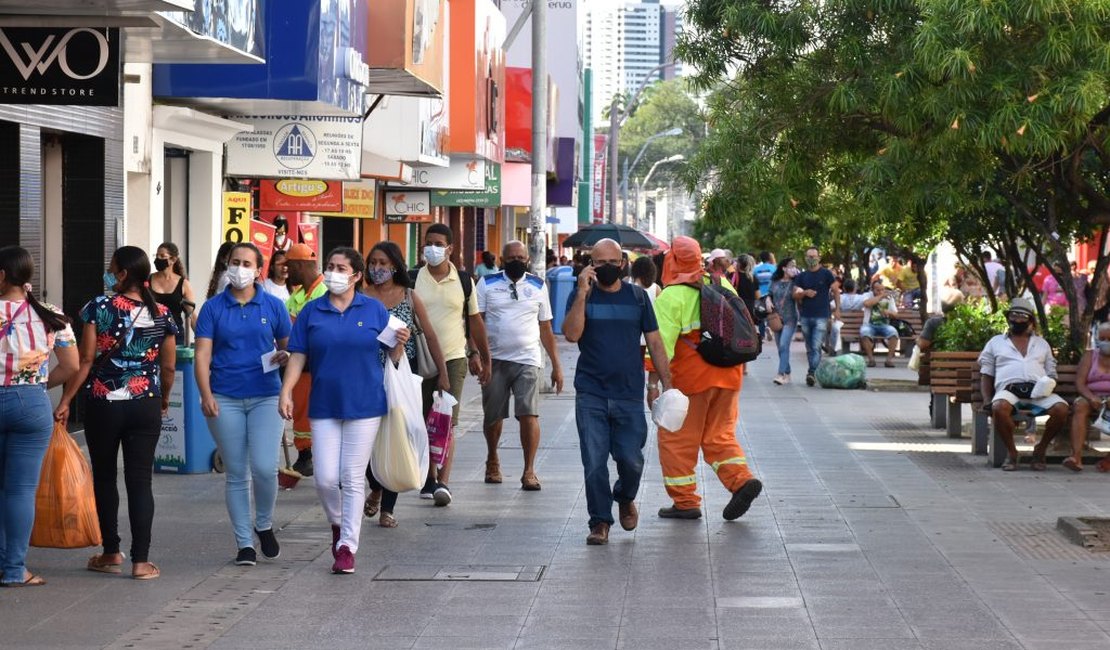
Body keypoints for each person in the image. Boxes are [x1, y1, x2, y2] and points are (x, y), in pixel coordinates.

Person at [279, 247, 409, 574]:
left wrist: (399, 343)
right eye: (330, 266)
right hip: (324, 404)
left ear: (355, 276)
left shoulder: (374, 309)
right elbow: (297, 354)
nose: (334, 272)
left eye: (341, 268)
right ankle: (337, 524)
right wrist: (287, 391)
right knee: (324, 479)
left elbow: (393, 356)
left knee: (351, 477)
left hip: (365, 404)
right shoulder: (312, 311)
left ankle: (347, 546)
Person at [55, 246, 178, 580]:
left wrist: (66, 399)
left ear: (123, 274)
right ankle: (141, 562)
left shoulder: (98, 307)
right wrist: (163, 398)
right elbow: (168, 367)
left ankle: (111, 552)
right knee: (140, 481)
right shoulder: (163, 313)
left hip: (103, 403)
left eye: (112, 269)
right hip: (145, 402)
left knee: (106, 476)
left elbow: (86, 359)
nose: (108, 274)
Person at [563, 238, 673, 545]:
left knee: (631, 459)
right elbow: (571, 334)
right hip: (591, 393)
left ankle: (625, 496)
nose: (607, 268)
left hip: (628, 394)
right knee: (594, 462)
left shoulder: (638, 298)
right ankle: (600, 521)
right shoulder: (581, 295)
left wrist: (667, 383)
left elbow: (655, 342)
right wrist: (583, 293)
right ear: (591, 266)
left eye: (613, 262)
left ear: (623, 264)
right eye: (600, 263)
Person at [650, 236, 763, 522]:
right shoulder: (720, 283)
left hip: (691, 380)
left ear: (672, 261)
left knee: (677, 438)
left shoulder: (671, 297)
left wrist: (654, 382)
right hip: (730, 375)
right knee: (720, 435)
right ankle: (741, 481)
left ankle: (685, 501)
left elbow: (660, 345)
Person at [194, 243, 292, 566]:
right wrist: (206, 394)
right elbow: (203, 354)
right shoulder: (212, 308)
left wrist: (286, 358)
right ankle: (244, 544)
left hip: (266, 395)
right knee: (237, 472)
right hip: (224, 397)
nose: (239, 268)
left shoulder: (274, 306)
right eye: (235, 262)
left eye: (246, 262)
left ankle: (263, 523)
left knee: (265, 468)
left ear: (258, 269)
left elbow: (290, 349)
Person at [0, 246, 78, 587]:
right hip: (32, 405)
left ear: (2, 276)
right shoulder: (50, 313)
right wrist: (38, 383)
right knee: (19, 490)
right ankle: (15, 569)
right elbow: (72, 365)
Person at [362, 241, 449, 526]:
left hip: (401, 374)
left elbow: (432, 336)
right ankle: (375, 484)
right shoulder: (361, 295)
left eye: (383, 263)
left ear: (395, 266)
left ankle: (388, 508)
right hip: (366, 374)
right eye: (373, 262)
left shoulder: (409, 297)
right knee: (365, 438)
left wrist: (443, 373)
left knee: (396, 435)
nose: (377, 268)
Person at [412, 223, 491, 503]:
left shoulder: (464, 280)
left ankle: (443, 482)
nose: (431, 248)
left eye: (437, 243)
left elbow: (473, 322)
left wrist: (481, 355)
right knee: (424, 420)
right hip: (419, 360)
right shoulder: (413, 279)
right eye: (427, 242)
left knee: (446, 420)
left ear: (449, 248)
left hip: (454, 357)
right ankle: (429, 478)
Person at [477, 241, 564, 492]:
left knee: (529, 414)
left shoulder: (538, 285)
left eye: (521, 257)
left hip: (528, 359)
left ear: (528, 259)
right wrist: (476, 354)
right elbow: (477, 322)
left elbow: (546, 327)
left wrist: (557, 366)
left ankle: (529, 470)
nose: (517, 261)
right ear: (502, 260)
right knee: (493, 415)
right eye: (511, 257)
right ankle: (492, 458)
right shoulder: (487, 283)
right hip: (494, 360)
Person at [978, 297, 1069, 471]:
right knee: (998, 407)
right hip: (1008, 390)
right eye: (1014, 315)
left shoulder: (1042, 344)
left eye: (1022, 316)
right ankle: (1012, 453)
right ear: (1008, 318)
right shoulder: (995, 342)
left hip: (1038, 391)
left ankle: (1040, 449)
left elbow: (1051, 372)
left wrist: (1049, 384)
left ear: (1030, 320)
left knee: (1061, 409)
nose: (1017, 319)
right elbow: (986, 373)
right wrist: (986, 399)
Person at [284, 243, 327, 477]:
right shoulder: (297, 296)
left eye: (290, 266)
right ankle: (305, 456)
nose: (287, 271)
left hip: (321, 364)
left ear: (301, 265)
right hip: (301, 364)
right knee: (301, 410)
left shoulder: (326, 292)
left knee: (319, 411)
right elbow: (287, 328)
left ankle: (321, 456)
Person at [1064, 323, 1110, 472]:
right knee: (1080, 405)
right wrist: (1091, 398)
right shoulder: (1090, 355)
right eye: (1102, 338)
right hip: (1092, 396)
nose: (1105, 342)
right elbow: (1080, 383)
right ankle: (1076, 457)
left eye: (1109, 339)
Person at [793, 246, 840, 386]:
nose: (811, 259)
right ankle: (813, 371)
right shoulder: (801, 276)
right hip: (806, 316)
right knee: (809, 346)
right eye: (809, 256)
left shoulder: (826, 274)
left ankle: (812, 372)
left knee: (816, 346)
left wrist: (838, 310)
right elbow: (794, 294)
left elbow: (836, 290)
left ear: (819, 258)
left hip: (822, 315)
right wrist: (804, 293)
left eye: (814, 256)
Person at [149, 242, 196, 344]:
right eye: (156, 256)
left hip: (175, 334)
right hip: (151, 332)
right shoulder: (148, 280)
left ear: (173, 260)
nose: (158, 259)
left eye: (162, 256)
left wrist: (202, 339)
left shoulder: (183, 284)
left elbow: (191, 314)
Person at [770, 257, 800, 385]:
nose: (793, 268)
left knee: (783, 345)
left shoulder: (796, 283)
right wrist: (767, 300)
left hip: (790, 318)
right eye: (791, 266)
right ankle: (787, 372)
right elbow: (769, 294)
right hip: (777, 318)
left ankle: (781, 374)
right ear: (783, 268)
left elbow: (799, 295)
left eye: (795, 266)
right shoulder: (775, 281)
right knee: (780, 347)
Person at [860, 279, 899, 368]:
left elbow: (896, 315)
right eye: (878, 290)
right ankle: (871, 360)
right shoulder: (867, 295)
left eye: (882, 290)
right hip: (869, 324)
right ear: (872, 290)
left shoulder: (889, 298)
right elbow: (867, 304)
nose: (881, 292)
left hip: (884, 325)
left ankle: (889, 360)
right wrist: (881, 296)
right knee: (864, 333)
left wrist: (889, 312)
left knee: (894, 333)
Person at [753, 252, 777, 341]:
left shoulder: (756, 269)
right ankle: (770, 327)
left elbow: (753, 281)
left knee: (761, 314)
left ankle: (762, 335)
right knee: (771, 312)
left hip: (759, 293)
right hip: (771, 294)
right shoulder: (773, 268)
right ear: (769, 258)